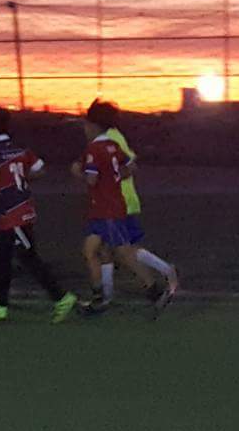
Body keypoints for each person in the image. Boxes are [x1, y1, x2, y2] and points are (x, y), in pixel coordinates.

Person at [70, 101, 175, 316]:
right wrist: (114, 177)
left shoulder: (94, 149)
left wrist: (78, 173)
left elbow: (91, 179)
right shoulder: (113, 145)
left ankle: (155, 290)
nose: (84, 129)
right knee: (91, 250)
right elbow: (128, 167)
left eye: (86, 125)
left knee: (124, 252)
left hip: (106, 210)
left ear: (93, 125)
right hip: (108, 207)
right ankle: (100, 298)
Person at [0, 109, 77, 323]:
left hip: (12, 213)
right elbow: (40, 170)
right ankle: (0, 305)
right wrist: (20, 178)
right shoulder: (20, 149)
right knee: (3, 257)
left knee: (27, 258)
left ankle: (61, 297)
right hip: (23, 208)